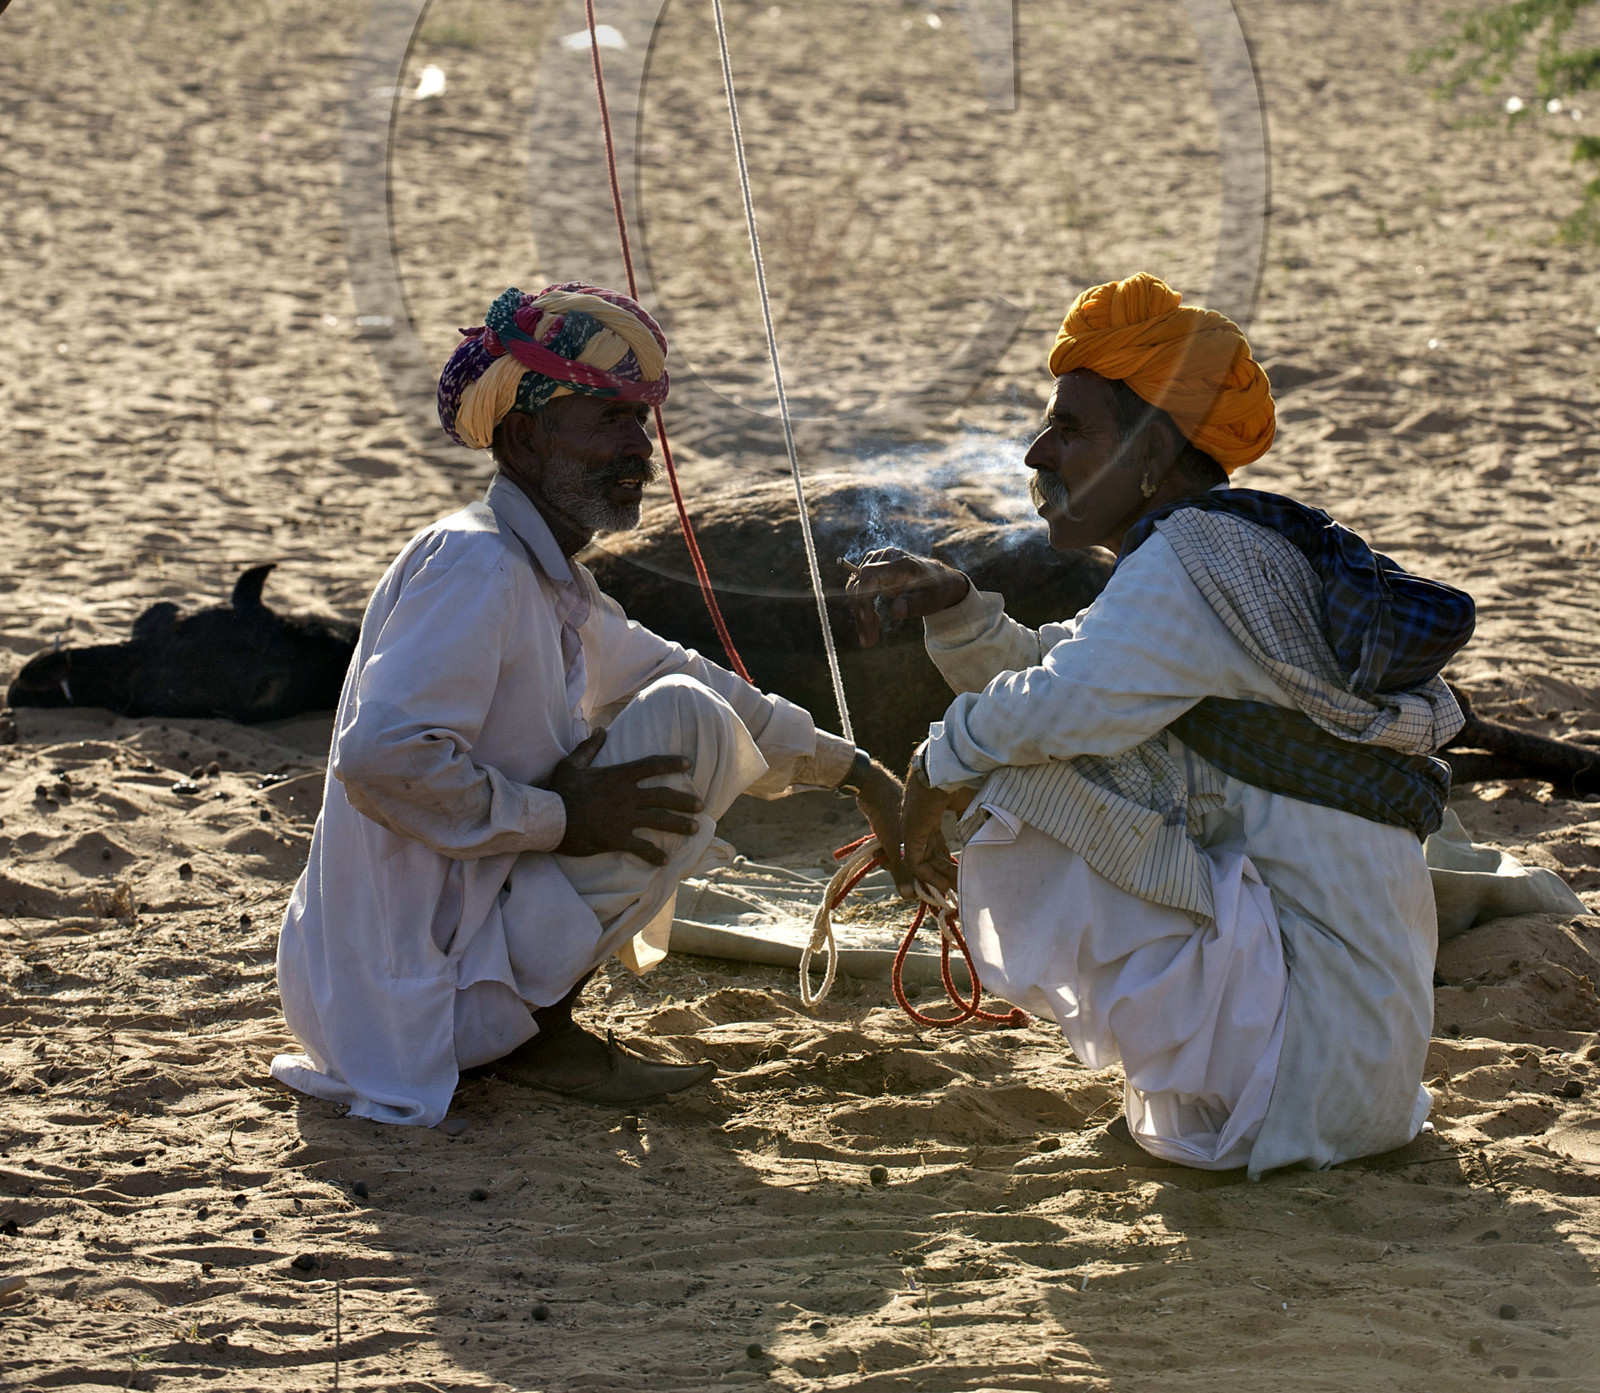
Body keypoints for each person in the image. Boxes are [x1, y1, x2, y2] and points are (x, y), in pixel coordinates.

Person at [848, 272, 1472, 1178]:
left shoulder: (1191, 559)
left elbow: (1067, 705)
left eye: (1070, 429)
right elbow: (1069, 673)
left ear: (1150, 452)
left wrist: (935, 763)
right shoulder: (1213, 551)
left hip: (1298, 1086)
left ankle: (1210, 1077)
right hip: (1347, 1073)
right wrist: (956, 611)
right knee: (1024, 742)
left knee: (1025, 774)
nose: (1036, 452)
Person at [273, 283, 905, 1129]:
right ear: (527, 438)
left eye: (638, 424)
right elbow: (382, 756)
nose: (637, 448)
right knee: (685, 723)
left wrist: (860, 773)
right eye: (607, 420)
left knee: (688, 702)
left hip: (391, 986)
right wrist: (561, 816)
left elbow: (695, 676)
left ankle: (529, 1020)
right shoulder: (480, 567)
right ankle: (534, 1036)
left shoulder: (543, 578)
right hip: (405, 1002)